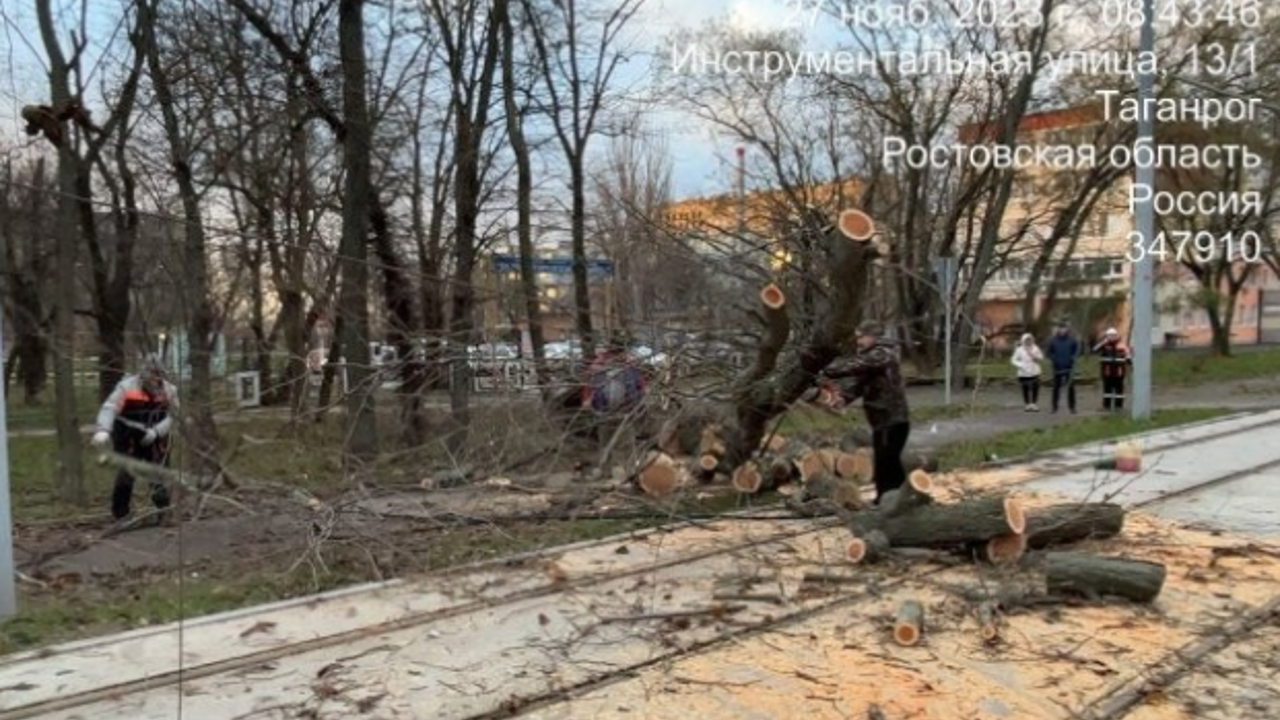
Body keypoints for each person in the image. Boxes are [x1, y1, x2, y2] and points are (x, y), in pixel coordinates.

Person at [819, 320, 910, 504]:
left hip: (892, 419)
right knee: (884, 460)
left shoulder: (881, 354)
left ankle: (892, 500)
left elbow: (854, 366)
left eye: (862, 336)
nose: (858, 340)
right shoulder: (871, 358)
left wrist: (822, 368)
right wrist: (843, 398)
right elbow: (858, 384)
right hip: (881, 421)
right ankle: (888, 498)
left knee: (888, 461)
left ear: (873, 336)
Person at [91, 354, 179, 520]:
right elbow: (110, 408)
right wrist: (103, 429)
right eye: (152, 375)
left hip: (156, 435)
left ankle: (163, 510)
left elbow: (174, 416)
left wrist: (156, 432)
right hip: (128, 434)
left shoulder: (169, 390)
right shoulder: (126, 387)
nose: (155, 380)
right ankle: (120, 514)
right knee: (126, 473)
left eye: (158, 375)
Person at [1046, 320, 1079, 414]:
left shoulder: (1072, 340)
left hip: (1069, 367)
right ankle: (1054, 407)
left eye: (1064, 328)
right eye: (1060, 328)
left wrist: (1073, 358)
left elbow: (1076, 350)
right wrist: (1054, 359)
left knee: (1071, 387)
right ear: (1058, 329)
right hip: (1057, 367)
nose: (1062, 330)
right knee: (1056, 388)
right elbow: (1048, 352)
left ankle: (1072, 407)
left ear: (1067, 329)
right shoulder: (1053, 340)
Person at [1096, 327, 1132, 411]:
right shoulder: (1104, 345)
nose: (1111, 337)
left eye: (1113, 335)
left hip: (1119, 372)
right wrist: (1103, 343)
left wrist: (1130, 363)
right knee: (1107, 389)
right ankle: (1106, 406)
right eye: (1109, 335)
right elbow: (1094, 350)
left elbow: (1128, 355)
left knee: (1119, 389)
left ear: (1116, 336)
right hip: (1107, 371)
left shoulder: (1122, 345)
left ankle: (1118, 406)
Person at [1011, 332, 1043, 411]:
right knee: (1025, 388)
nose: (1028, 342)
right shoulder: (1019, 350)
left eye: (1030, 340)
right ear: (1023, 341)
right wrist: (1021, 365)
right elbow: (1013, 360)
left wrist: (1035, 357)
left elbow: (1041, 357)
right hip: (1023, 373)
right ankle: (1027, 404)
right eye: (1027, 340)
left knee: (1035, 387)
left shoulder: (1035, 348)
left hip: (1034, 371)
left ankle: (1034, 403)